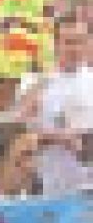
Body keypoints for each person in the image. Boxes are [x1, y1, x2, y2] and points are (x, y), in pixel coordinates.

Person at [20, 15, 93, 196]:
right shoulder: (35, 82)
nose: (75, 48)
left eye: (80, 41)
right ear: (55, 45)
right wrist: (58, 138)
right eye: (68, 42)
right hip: (49, 185)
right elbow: (20, 133)